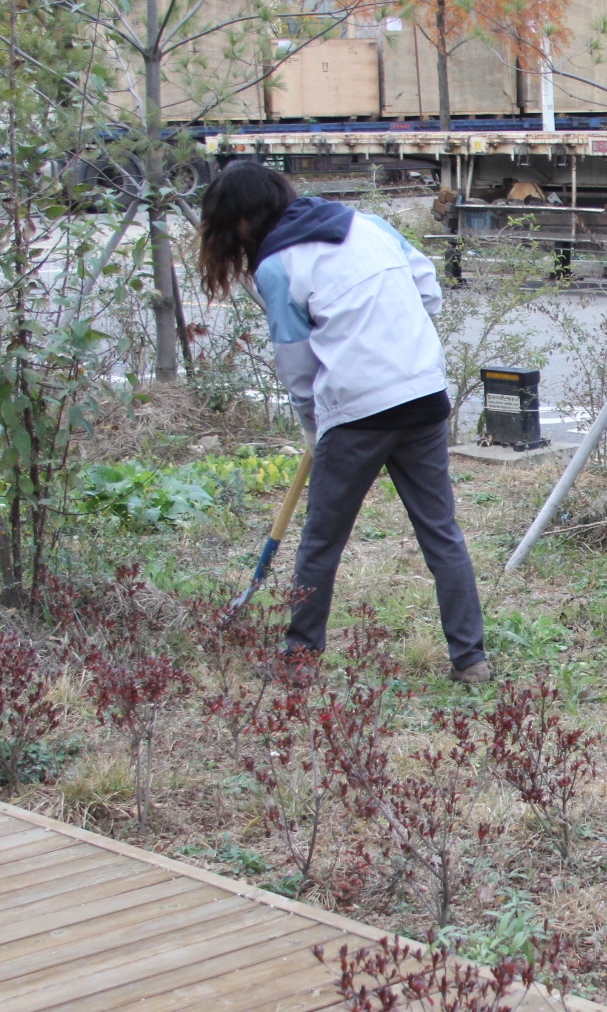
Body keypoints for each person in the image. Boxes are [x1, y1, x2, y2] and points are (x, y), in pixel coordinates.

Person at [197, 163, 490, 683]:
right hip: (423, 390)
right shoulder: (369, 224)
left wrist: (314, 426)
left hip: (358, 413)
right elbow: (427, 288)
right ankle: (471, 661)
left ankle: (300, 659)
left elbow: (296, 364)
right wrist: (393, 339)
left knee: (320, 541)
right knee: (441, 531)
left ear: (241, 223)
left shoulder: (278, 266)